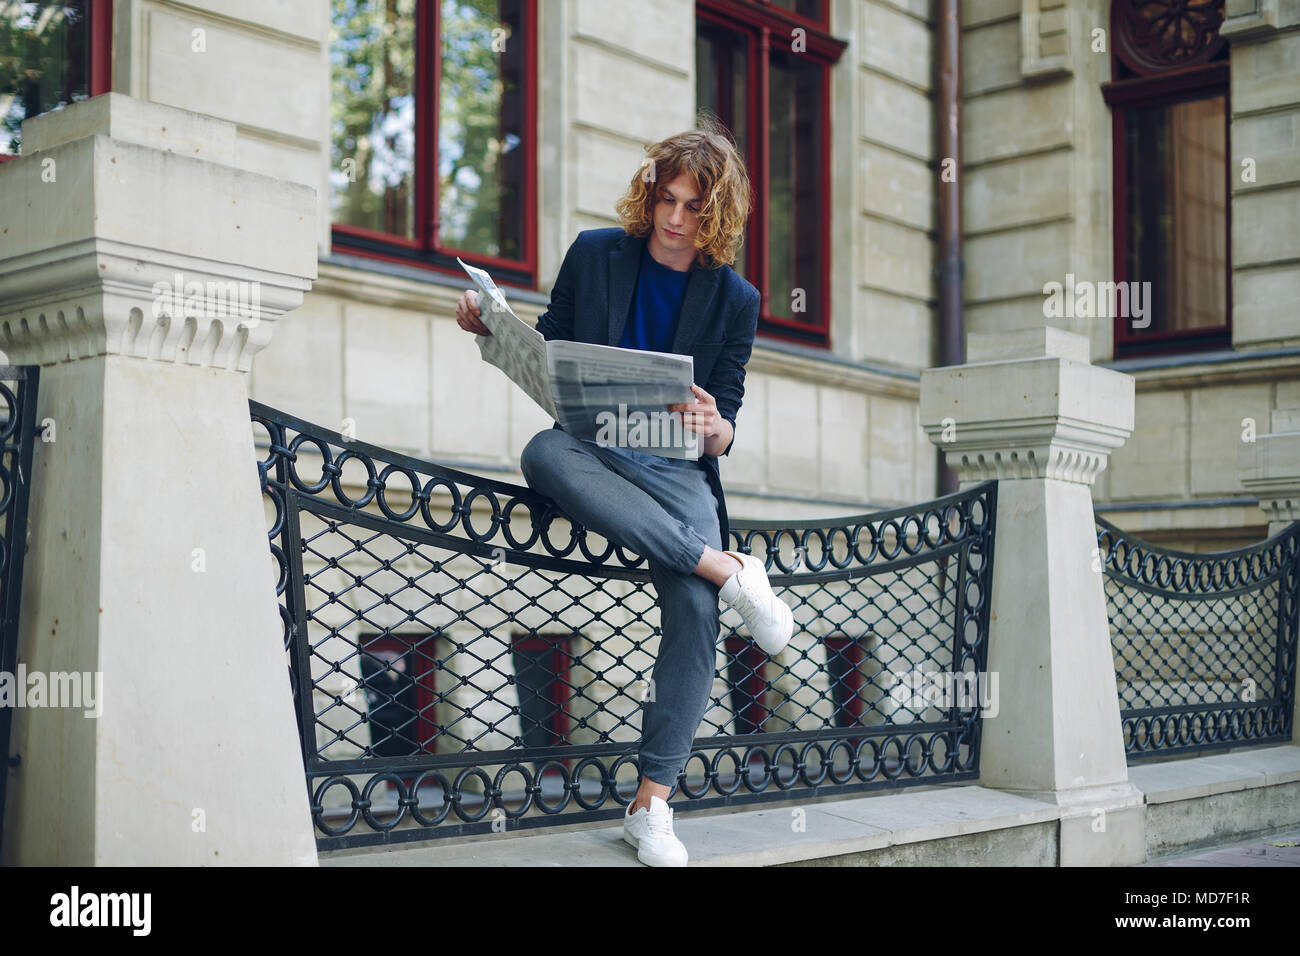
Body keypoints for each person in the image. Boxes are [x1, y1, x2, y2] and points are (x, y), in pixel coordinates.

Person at [454, 118, 794, 866]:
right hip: (590, 451)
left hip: (676, 471)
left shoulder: (735, 299)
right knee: (542, 451)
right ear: (650, 194)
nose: (674, 221)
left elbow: (726, 423)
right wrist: (490, 332)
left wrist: (713, 423)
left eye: (693, 209)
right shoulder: (595, 253)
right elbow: (549, 350)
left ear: (718, 215)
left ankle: (652, 804)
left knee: (694, 605)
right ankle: (727, 567)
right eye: (666, 199)